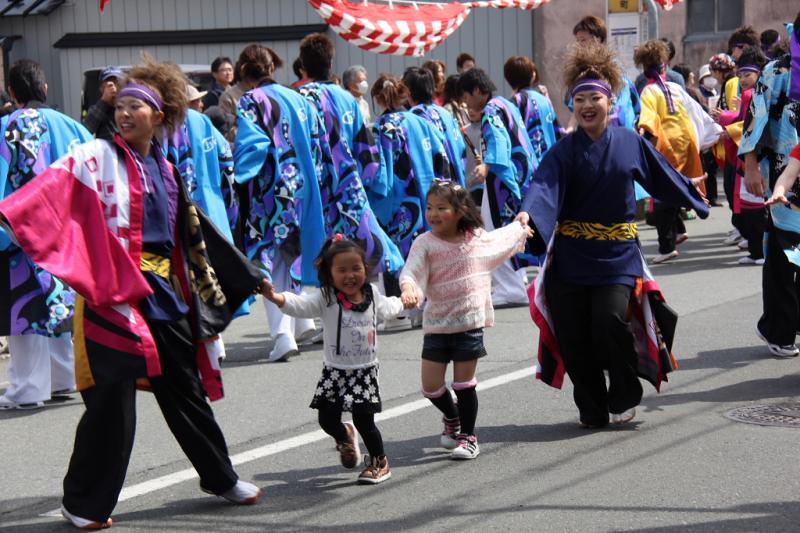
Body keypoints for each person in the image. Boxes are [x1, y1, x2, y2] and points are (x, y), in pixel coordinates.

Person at [0, 57, 265, 528]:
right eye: (120, 106)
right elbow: (49, 189)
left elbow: (193, 231)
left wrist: (243, 273)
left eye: (135, 107)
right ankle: (82, 503)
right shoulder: (97, 154)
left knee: (185, 391)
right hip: (110, 295)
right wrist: (12, 212)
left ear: (159, 117)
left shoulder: (166, 168)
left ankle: (219, 476)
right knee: (111, 402)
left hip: (163, 291)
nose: (123, 114)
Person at [518, 41, 709, 429]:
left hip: (617, 255)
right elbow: (543, 188)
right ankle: (590, 404)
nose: (588, 105)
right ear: (572, 104)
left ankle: (623, 390)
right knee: (572, 333)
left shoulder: (628, 142)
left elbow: (661, 174)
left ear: (610, 102)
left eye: (595, 98)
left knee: (609, 321)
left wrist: (693, 194)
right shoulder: (564, 151)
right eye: (580, 99)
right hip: (571, 256)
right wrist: (527, 216)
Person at [263, 235, 411, 483]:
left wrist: (404, 302)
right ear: (330, 273)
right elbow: (299, 305)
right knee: (327, 419)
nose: (350, 275)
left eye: (356, 268)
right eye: (341, 270)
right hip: (335, 372)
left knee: (365, 421)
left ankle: (379, 462)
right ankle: (344, 435)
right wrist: (276, 297)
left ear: (366, 268)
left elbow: (388, 308)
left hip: (365, 372)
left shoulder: (372, 294)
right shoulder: (326, 298)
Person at [400, 180, 531, 459]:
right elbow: (411, 271)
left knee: (464, 384)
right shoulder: (424, 243)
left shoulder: (476, 239)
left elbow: (502, 238)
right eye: (429, 207)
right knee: (431, 388)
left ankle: (468, 437)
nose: (433, 214)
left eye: (441, 208)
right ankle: (453, 418)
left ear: (460, 211)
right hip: (437, 324)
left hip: (469, 324)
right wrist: (408, 288)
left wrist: (520, 226)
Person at [0, 60, 89, 411]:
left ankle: (28, 388)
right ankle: (63, 378)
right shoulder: (73, 126)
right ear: (45, 88)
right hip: (66, 231)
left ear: (12, 92)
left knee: (25, 308)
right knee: (58, 302)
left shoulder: (8, 127)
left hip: (21, 232)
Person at [234, 44, 320, 362]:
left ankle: (283, 335)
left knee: (266, 259)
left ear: (245, 71)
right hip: (302, 186)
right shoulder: (299, 98)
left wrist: (239, 176)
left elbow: (251, 145)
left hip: (269, 190)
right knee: (291, 253)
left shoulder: (251, 100)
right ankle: (301, 321)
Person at [297, 33, 403, 276]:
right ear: (331, 62)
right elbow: (366, 152)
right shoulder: (348, 99)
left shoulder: (299, 99)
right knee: (362, 249)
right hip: (349, 187)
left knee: (320, 256)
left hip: (315, 190)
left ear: (303, 67)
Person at [369, 73, 452, 330]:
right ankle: (426, 307)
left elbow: (378, 173)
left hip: (398, 200)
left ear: (378, 99)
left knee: (398, 255)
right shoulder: (420, 122)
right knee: (425, 251)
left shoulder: (380, 127)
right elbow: (442, 157)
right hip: (427, 195)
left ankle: (400, 313)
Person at [740, 14, 800, 358]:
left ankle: (789, 321)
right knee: (782, 253)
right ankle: (777, 328)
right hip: (782, 175)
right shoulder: (777, 71)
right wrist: (750, 164)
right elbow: (756, 117)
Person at [635, 40, 721, 264]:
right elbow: (696, 112)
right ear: (664, 67)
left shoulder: (649, 91)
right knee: (680, 184)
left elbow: (648, 120)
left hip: (666, 145)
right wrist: (709, 133)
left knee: (663, 193)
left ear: (645, 69)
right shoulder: (675, 88)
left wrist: (643, 140)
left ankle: (666, 246)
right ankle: (680, 229)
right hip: (686, 142)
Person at [458, 67, 537, 307]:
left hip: (502, 179)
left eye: (466, 95)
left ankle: (510, 288)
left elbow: (498, 141)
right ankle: (517, 281)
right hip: (519, 174)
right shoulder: (505, 103)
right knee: (510, 230)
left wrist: (487, 166)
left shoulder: (490, 111)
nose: (465, 101)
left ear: (478, 91)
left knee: (493, 233)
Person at [715, 46, 769, 265]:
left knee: (757, 208)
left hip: (756, 157)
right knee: (748, 206)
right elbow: (743, 119)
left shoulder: (760, 94)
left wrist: (728, 127)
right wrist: (726, 118)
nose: (743, 79)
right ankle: (756, 251)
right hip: (745, 157)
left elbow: (752, 124)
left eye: (747, 74)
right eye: (740, 75)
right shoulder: (748, 94)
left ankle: (761, 252)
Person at [568, 16, 640, 132]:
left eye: (582, 40)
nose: (578, 45)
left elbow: (620, 107)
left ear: (598, 39)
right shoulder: (580, 70)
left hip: (616, 133)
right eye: (577, 41)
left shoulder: (613, 67)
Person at [403, 66, 468, 186]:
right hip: (456, 182)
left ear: (408, 92)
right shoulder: (445, 113)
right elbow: (461, 149)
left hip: (434, 188)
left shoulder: (411, 118)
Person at [708, 52, 743, 244]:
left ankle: (740, 227)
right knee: (731, 187)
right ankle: (738, 226)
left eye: (713, 70)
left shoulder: (730, 84)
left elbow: (733, 112)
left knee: (732, 187)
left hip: (732, 140)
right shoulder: (729, 83)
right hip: (731, 139)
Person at [504, 55, 558, 165]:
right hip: (550, 162)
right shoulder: (544, 100)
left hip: (527, 167)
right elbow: (556, 129)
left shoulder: (514, 102)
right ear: (532, 76)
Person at [83, 65, 123, 140]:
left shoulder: (127, 108)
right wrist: (104, 100)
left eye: (116, 83)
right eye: (109, 84)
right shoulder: (97, 109)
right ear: (102, 89)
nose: (113, 87)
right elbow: (86, 130)